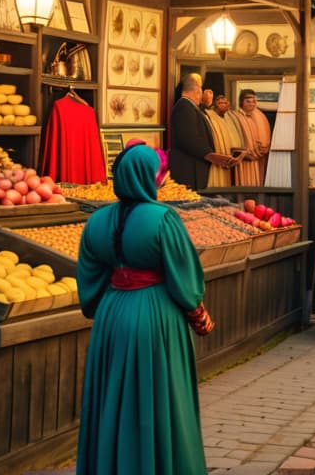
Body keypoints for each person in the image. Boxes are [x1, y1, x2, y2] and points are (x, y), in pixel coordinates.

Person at [76, 142, 213, 474]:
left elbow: (89, 279)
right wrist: (198, 314)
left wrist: (105, 301)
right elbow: (184, 276)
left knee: (114, 399)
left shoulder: (96, 220)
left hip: (111, 315)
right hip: (155, 316)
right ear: (148, 177)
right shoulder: (163, 218)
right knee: (159, 399)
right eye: (158, 174)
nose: (161, 179)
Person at [169, 73, 233, 190]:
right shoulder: (184, 106)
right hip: (189, 169)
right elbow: (188, 139)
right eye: (201, 88)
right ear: (197, 89)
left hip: (195, 167)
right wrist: (211, 156)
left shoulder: (191, 106)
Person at [228, 89, 272, 187]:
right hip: (243, 159)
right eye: (248, 101)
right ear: (241, 102)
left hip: (258, 159)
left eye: (254, 101)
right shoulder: (234, 117)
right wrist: (245, 152)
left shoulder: (259, 117)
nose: (251, 104)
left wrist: (263, 148)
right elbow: (232, 139)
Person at [203, 93, 244, 188]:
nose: (225, 105)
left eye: (226, 102)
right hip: (216, 158)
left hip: (229, 157)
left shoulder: (229, 118)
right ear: (215, 104)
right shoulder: (209, 117)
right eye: (221, 103)